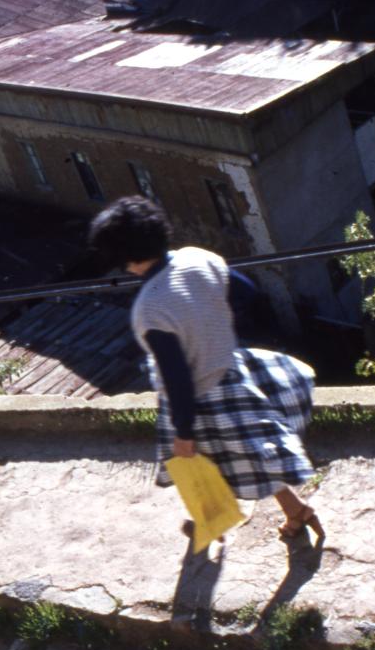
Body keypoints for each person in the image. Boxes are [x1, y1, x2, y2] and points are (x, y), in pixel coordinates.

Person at [88, 196, 323, 541]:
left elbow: (178, 378)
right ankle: (294, 511)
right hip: (234, 371)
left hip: (199, 400)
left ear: (125, 257)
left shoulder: (150, 309)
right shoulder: (198, 257)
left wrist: (184, 432)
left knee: (197, 461)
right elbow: (246, 292)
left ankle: (212, 517)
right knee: (254, 454)